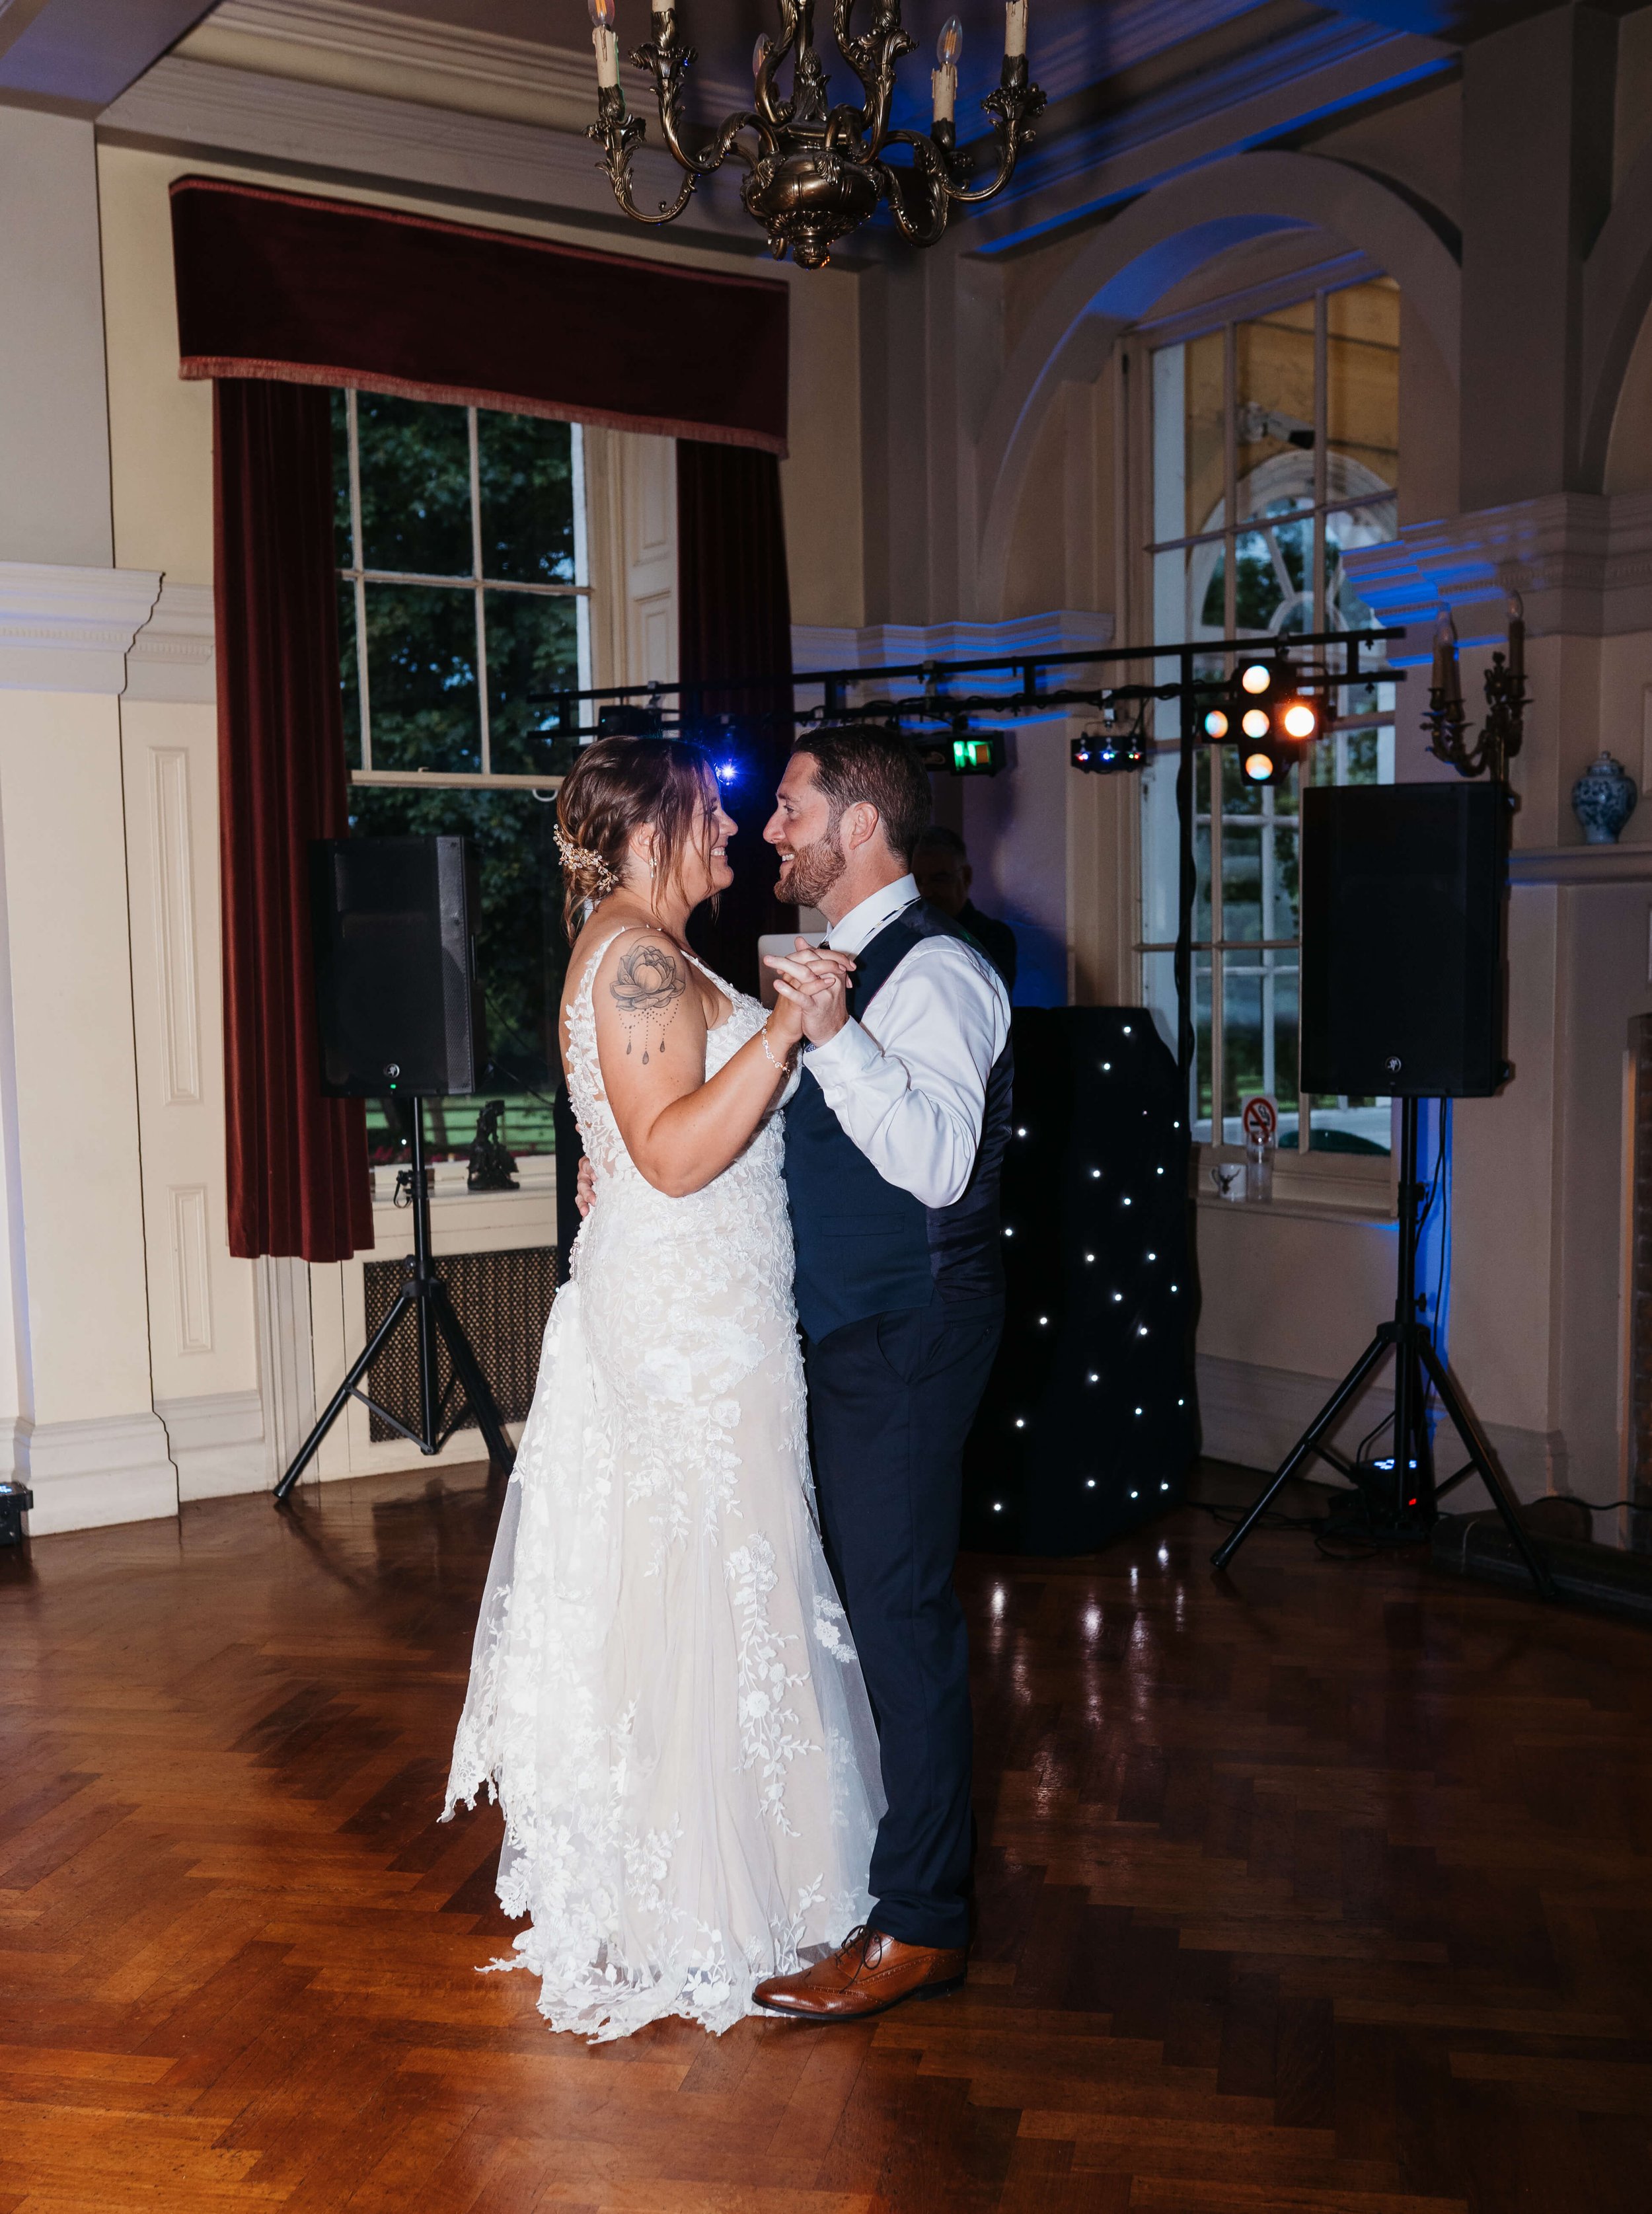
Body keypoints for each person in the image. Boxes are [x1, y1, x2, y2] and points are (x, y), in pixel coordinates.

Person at [443, 734, 882, 2043]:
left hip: (710, 1299)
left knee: (715, 1578)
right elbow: (670, 1155)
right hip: (689, 1317)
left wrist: (765, 1027)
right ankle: (697, 1903)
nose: (736, 840)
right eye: (709, 821)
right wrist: (790, 1034)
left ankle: (722, 1877)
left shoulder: (651, 950)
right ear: (649, 839)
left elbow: (639, 1141)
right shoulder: (634, 954)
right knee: (703, 1581)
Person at [749, 727, 1012, 2022]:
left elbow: (935, 1166)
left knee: (901, 1621)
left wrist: (831, 1034)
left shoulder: (943, 973)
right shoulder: (835, 970)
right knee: (860, 1616)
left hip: (907, 1335)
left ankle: (922, 1923)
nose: (768, 830)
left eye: (789, 807)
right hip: (843, 1330)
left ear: (857, 826)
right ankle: (875, 1880)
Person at [911, 822, 1018, 991]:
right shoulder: (905, 933)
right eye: (917, 881)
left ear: (966, 877)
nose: (927, 891)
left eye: (940, 879)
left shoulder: (995, 939)